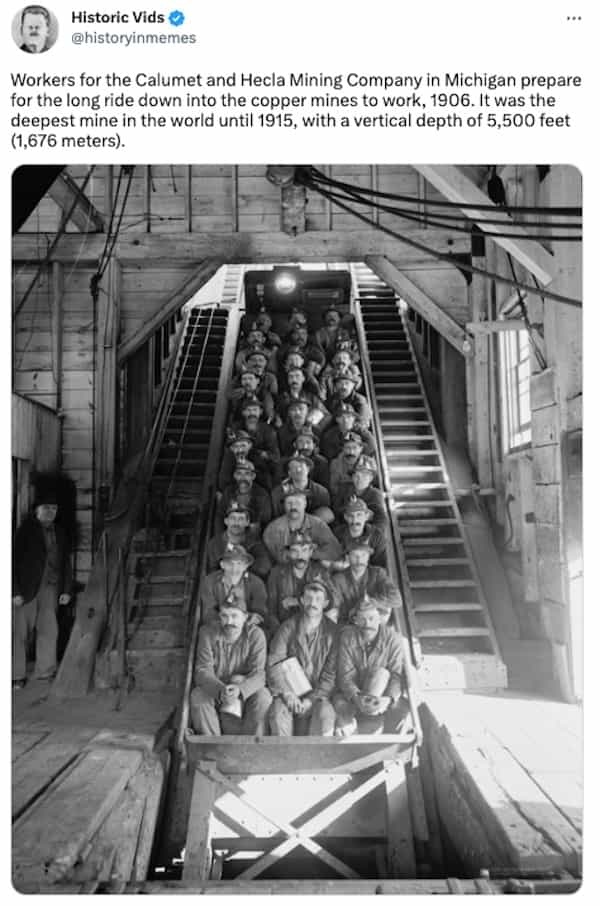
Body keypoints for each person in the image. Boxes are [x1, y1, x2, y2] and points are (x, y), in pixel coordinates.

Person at [12, 489, 72, 687]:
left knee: (49, 629)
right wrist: (14, 592)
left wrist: (66, 590)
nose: (50, 512)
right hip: (26, 589)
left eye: (54, 508)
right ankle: (16, 675)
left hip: (50, 588)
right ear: (36, 510)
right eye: (46, 508)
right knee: (18, 632)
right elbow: (10, 562)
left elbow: (65, 563)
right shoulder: (25, 531)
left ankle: (45, 671)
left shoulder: (60, 532)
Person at [190, 597, 272, 735]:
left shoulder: (255, 635)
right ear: (219, 616)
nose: (229, 622)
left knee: (263, 696)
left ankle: (250, 748)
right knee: (198, 696)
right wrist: (221, 690)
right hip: (216, 689)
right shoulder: (207, 633)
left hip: (244, 691)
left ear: (245, 617)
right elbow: (202, 670)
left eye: (234, 616)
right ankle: (213, 749)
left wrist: (240, 690)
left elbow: (259, 674)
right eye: (224, 616)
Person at [267, 581, 338, 736]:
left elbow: (330, 676)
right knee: (277, 713)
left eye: (318, 599)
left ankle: (319, 757)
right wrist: (287, 693)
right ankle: (282, 757)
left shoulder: (333, 633)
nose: (312, 603)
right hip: (290, 695)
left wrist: (310, 700)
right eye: (308, 598)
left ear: (325, 603)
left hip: (317, 697)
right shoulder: (287, 627)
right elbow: (274, 664)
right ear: (301, 600)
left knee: (326, 713)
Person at [334, 597, 409, 736]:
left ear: (379, 618)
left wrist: (388, 699)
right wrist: (356, 698)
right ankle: (350, 745)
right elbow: (345, 676)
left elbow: (396, 675)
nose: (367, 624)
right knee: (340, 705)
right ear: (355, 620)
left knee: (402, 709)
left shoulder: (394, 639)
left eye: (371, 618)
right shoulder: (347, 637)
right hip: (353, 693)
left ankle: (390, 754)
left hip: (380, 695)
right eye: (362, 619)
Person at [266, 529, 338, 627]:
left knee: (332, 614)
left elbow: (333, 600)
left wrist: (298, 601)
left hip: (314, 625)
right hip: (286, 626)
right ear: (288, 552)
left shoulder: (320, 571)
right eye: (295, 551)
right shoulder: (277, 573)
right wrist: (279, 631)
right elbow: (271, 609)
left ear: (311, 551)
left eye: (304, 550)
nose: (300, 556)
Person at [263, 488, 342, 566]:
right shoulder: (273, 530)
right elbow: (277, 559)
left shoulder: (318, 525)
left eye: (297, 502)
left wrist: (310, 553)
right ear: (284, 505)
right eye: (289, 503)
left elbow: (335, 551)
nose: (293, 506)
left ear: (305, 503)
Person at [331, 538, 402, 624]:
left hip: (374, 625)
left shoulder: (377, 574)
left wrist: (371, 602)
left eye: (363, 555)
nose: (359, 560)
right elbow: (333, 610)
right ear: (348, 557)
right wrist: (356, 609)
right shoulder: (338, 580)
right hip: (348, 627)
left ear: (368, 557)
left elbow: (397, 599)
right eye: (354, 555)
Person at [199, 544, 269, 629]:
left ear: (245, 566)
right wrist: (227, 624)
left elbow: (260, 610)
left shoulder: (256, 583)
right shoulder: (209, 582)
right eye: (230, 563)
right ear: (222, 565)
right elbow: (208, 612)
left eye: (239, 563)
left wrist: (253, 618)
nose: (234, 568)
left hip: (248, 627)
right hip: (221, 626)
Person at [207, 501, 271, 581]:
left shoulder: (255, 544)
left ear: (247, 522)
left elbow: (264, 568)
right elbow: (211, 573)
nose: (236, 523)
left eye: (241, 519)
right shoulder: (215, 544)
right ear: (226, 521)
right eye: (233, 518)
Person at [271, 453, 333, 523]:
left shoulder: (321, 492)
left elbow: (326, 515)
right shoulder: (278, 492)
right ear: (289, 472)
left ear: (308, 469)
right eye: (294, 467)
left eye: (301, 466)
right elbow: (276, 518)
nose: (298, 469)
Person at [333, 496, 387, 569]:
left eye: (359, 515)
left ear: (366, 516)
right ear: (345, 517)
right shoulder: (337, 534)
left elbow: (380, 566)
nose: (355, 520)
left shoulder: (377, 536)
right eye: (350, 516)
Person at [218, 458, 272, 529]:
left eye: (247, 473)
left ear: (253, 476)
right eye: (239, 473)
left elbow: (265, 520)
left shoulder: (262, 494)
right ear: (235, 476)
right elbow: (221, 514)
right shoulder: (228, 491)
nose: (243, 478)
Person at [334, 455, 387, 528]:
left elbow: (381, 520)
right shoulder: (344, 489)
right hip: (346, 528)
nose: (360, 479)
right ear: (352, 477)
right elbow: (335, 511)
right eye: (356, 476)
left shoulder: (375, 494)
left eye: (364, 476)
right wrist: (349, 507)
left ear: (371, 478)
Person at [329, 431, 365, 499]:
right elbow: (333, 487)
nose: (351, 452)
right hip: (343, 498)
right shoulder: (335, 464)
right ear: (343, 449)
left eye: (354, 448)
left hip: (364, 497)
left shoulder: (369, 463)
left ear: (361, 449)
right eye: (348, 448)